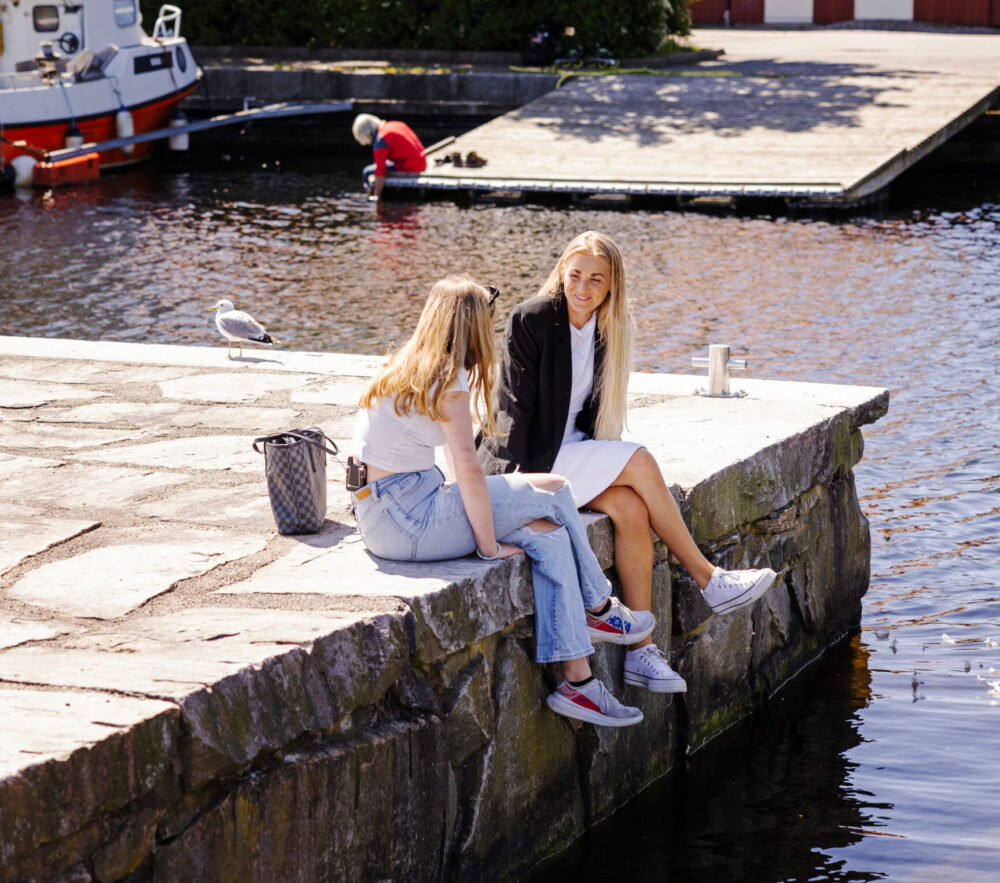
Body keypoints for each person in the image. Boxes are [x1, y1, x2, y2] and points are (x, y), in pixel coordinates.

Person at [478, 231, 778, 695]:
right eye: (575, 275)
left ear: (612, 284)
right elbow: (511, 407)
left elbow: (590, 416)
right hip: (537, 460)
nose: (583, 287)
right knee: (639, 460)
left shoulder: (606, 329)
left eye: (596, 279)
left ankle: (641, 652)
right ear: (561, 273)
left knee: (633, 510)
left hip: (574, 451)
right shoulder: (532, 319)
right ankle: (710, 579)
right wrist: (507, 487)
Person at [350, 274, 656, 727]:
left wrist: (496, 516)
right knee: (555, 490)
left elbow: (456, 468)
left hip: (386, 512)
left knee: (549, 536)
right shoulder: (447, 380)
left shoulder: (409, 364)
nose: (492, 331)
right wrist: (489, 546)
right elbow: (468, 470)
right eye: (488, 322)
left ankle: (579, 684)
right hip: (410, 518)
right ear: (471, 326)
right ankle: (598, 607)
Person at [351, 113, 427, 202]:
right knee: (376, 167)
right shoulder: (395, 124)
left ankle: (369, 195)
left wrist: (377, 196)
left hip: (411, 167)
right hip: (421, 160)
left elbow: (380, 171)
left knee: (367, 171)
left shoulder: (380, 140)